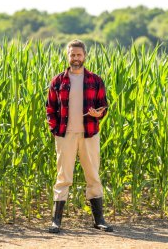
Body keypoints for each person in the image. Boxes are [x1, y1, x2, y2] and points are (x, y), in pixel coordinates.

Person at [45, 39, 113, 233]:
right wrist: (55, 130)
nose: (76, 58)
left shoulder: (95, 80)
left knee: (93, 175)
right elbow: (50, 109)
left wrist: (98, 113)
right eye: (72, 55)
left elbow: (103, 106)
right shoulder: (58, 81)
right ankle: (56, 221)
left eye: (79, 54)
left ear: (85, 56)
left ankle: (99, 220)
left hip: (89, 134)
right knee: (63, 176)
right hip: (65, 135)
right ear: (68, 56)